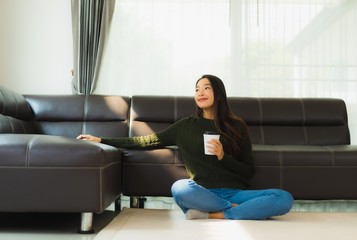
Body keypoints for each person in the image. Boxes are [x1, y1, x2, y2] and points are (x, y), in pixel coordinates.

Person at [77, 74, 294, 220]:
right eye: (197, 89)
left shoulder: (236, 126)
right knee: (179, 187)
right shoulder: (184, 126)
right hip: (202, 192)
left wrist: (223, 157)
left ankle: (215, 215)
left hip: (236, 193)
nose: (200, 92)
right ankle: (235, 212)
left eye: (206, 88)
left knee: (284, 198)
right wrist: (101, 140)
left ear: (218, 93)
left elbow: (248, 171)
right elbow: (143, 141)